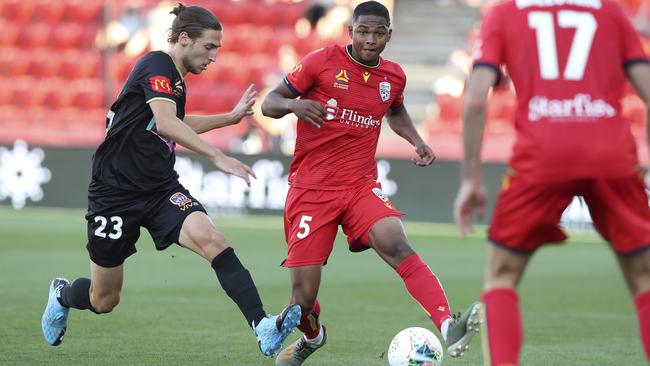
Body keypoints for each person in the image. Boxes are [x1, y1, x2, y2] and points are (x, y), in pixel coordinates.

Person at [41, 4, 301, 356]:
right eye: (209, 47)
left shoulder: (175, 80)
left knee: (213, 239)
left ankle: (262, 326)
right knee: (103, 299)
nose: (214, 56)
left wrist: (230, 118)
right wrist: (218, 155)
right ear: (183, 39)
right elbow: (165, 123)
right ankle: (62, 294)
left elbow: (173, 120)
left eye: (217, 49)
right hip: (114, 193)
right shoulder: (156, 64)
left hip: (160, 189)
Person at [261, 2, 481, 365]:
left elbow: (395, 110)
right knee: (302, 301)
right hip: (312, 190)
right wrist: (296, 107)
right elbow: (271, 103)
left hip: (361, 184)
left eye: (379, 33)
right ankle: (313, 339)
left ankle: (447, 324)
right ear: (351, 30)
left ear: (389, 35)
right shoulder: (321, 62)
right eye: (363, 31)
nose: (370, 39)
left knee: (398, 245)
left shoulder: (393, 76)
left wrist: (417, 140)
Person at [454, 0, 650, 365]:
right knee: (643, 278)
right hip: (610, 151)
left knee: (501, 275)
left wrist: (471, 180)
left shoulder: (505, 11)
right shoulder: (610, 11)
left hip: (542, 152)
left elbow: (476, 100)